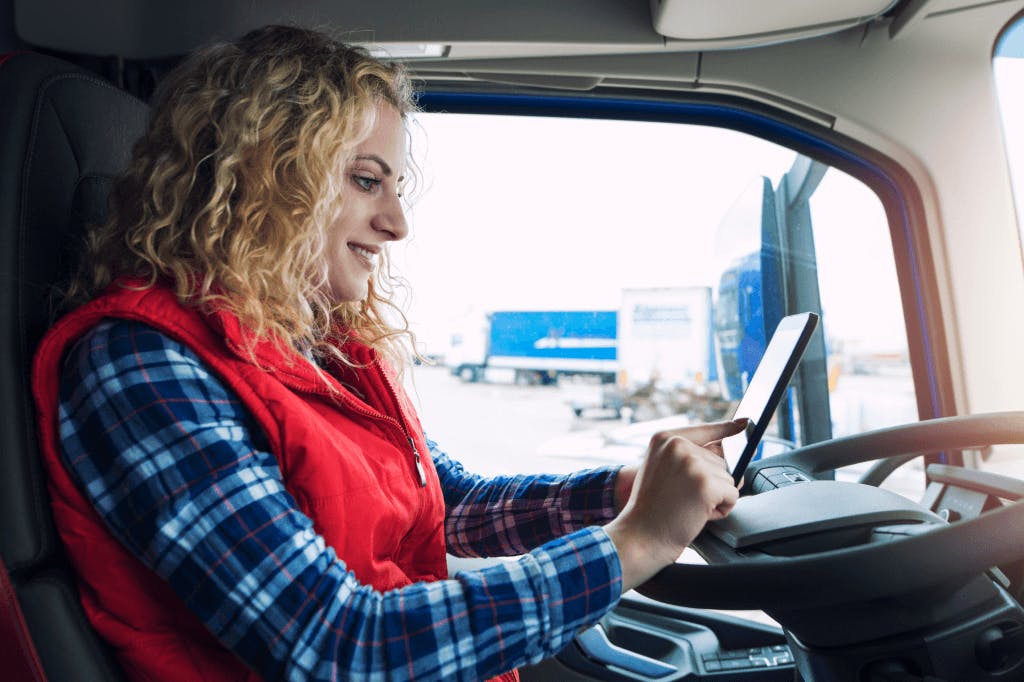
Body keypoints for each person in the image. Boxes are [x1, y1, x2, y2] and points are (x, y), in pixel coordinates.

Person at [32, 25, 744, 681]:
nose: (397, 224)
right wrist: (635, 541)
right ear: (257, 174)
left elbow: (448, 503)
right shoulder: (139, 365)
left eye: (394, 187)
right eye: (366, 180)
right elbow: (339, 646)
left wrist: (623, 491)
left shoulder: (317, 347)